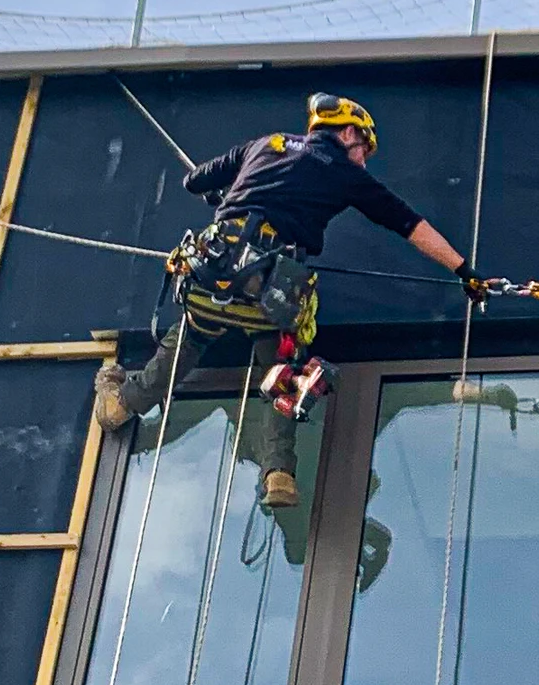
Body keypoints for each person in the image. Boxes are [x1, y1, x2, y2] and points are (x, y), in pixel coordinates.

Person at [95, 92, 479, 510]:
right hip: (272, 292)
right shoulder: (345, 174)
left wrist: (229, 195)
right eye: (363, 150)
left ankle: (121, 405)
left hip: (215, 273)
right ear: (348, 133)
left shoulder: (265, 144)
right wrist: (464, 270)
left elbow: (194, 181)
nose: (364, 161)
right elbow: (410, 224)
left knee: (186, 342)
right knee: (282, 373)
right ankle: (278, 472)